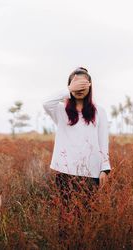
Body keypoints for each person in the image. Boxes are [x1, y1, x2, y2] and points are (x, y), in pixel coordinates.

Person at [42, 67, 112, 242]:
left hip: (91, 173)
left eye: (84, 84)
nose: (80, 88)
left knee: (87, 217)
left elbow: (103, 141)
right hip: (65, 172)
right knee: (66, 217)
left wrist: (105, 169)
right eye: (75, 84)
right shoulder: (60, 110)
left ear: (90, 87)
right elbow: (46, 102)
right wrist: (69, 90)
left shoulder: (99, 112)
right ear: (69, 86)